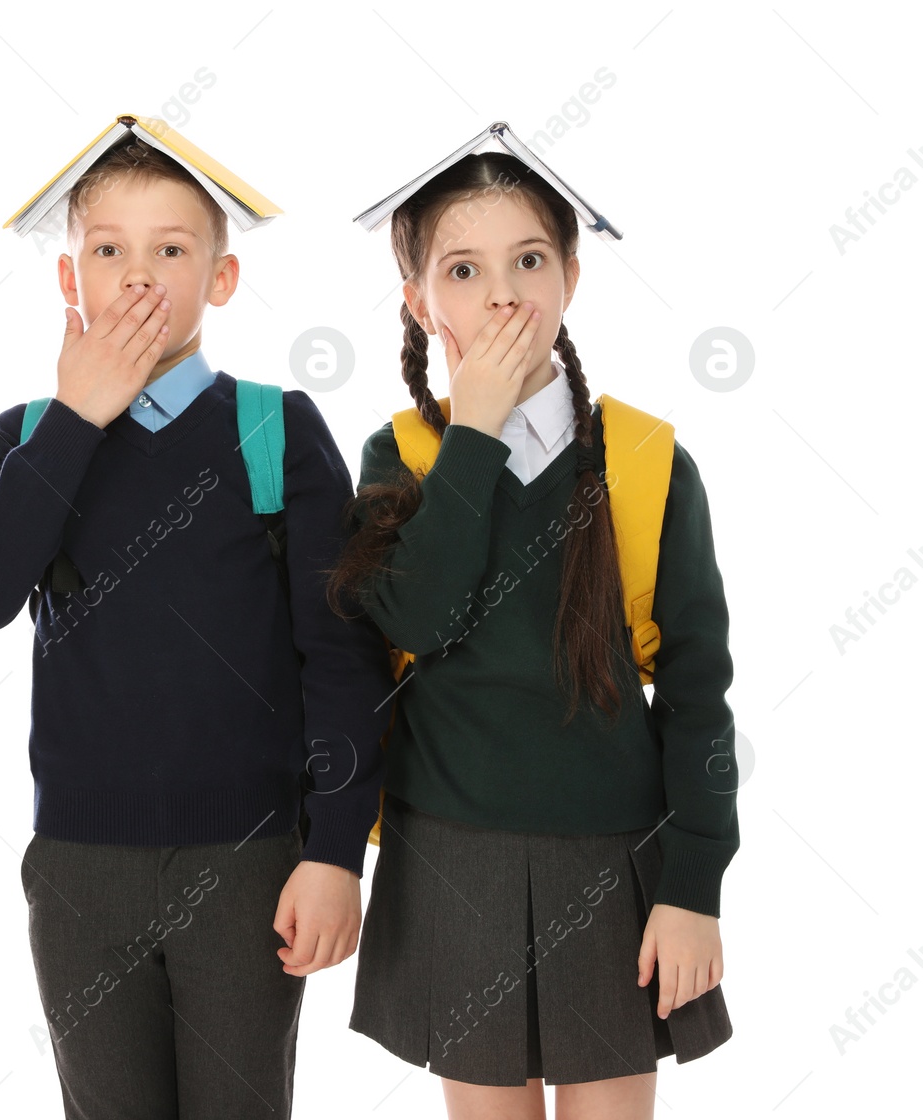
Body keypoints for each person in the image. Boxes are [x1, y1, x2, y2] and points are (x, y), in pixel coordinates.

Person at [0, 135, 392, 1119]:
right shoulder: (25, 437)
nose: (137, 277)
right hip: (79, 874)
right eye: (108, 252)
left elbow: (340, 660)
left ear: (221, 278)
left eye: (170, 252)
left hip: (250, 866)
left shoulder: (274, 430)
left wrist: (335, 851)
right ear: (68, 276)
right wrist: (75, 415)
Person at [330, 148, 737, 1120]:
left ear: (570, 277)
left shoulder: (644, 458)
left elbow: (697, 693)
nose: (502, 296)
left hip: (610, 856)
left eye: (528, 262)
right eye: (462, 271)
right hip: (448, 852)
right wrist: (471, 432)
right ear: (421, 302)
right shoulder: (404, 452)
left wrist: (693, 887)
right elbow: (418, 622)